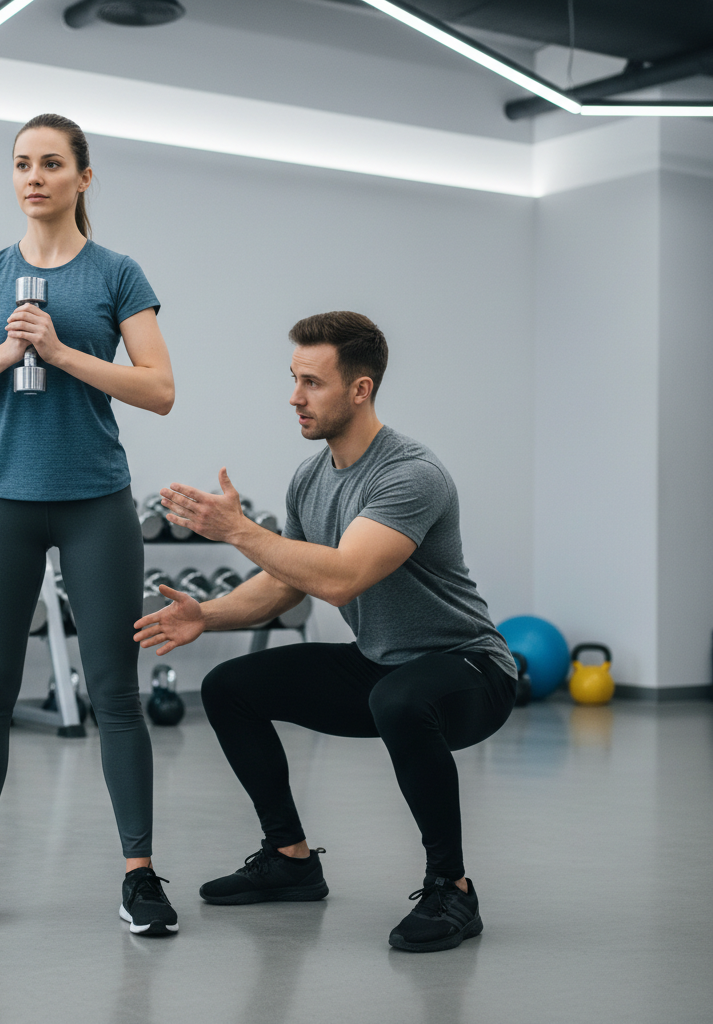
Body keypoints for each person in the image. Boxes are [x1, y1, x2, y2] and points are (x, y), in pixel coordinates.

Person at [133, 311, 516, 953]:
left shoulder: (410, 474)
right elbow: (287, 583)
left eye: (312, 382)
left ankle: (453, 889)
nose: (294, 397)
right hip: (381, 664)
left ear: (360, 389)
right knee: (230, 687)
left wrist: (238, 531)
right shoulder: (310, 479)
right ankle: (290, 859)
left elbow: (342, 579)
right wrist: (208, 614)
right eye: (293, 378)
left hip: (469, 670)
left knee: (400, 698)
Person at [0, 113, 179, 936]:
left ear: (83, 178)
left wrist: (61, 353)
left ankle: (139, 876)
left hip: (97, 501)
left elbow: (160, 389)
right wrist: (3, 353)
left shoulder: (117, 274)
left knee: (115, 692)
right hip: (4, 500)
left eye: (53, 163)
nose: (35, 176)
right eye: (23, 163)